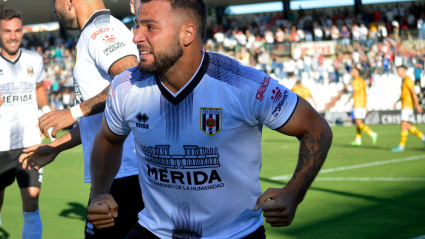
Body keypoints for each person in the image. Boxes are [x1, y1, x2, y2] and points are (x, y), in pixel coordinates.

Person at [84, 1, 332, 238]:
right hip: (154, 231)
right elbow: (108, 140)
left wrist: (293, 193)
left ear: (187, 33)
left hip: (236, 234)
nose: (136, 37)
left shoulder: (244, 85)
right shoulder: (126, 86)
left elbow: (315, 127)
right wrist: (98, 193)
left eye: (150, 27)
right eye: (137, 25)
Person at [19, 0, 143, 238]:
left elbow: (130, 80)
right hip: (115, 175)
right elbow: (101, 120)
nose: (54, 9)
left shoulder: (100, 30)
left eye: (55, 2)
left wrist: (72, 112)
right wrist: (55, 146)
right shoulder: (96, 30)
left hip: (124, 175)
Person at [0, 8, 50, 239]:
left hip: (29, 145)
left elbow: (39, 87)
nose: (12, 36)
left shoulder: (35, 59)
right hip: (0, 147)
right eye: (7, 31)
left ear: (22, 31)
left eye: (17, 30)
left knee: (31, 203)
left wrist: (47, 113)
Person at [391, 65, 425, 152]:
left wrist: (417, 105)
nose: (397, 72)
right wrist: (397, 101)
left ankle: (401, 146)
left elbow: (413, 93)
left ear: (403, 70)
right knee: (408, 126)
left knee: (403, 125)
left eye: (398, 70)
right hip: (405, 105)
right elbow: (404, 94)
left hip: (408, 106)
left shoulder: (408, 80)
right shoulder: (404, 80)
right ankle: (423, 138)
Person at [347, 67, 378, 146]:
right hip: (362, 104)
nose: (351, 72)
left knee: (358, 123)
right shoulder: (362, 81)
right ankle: (358, 140)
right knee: (359, 122)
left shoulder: (355, 81)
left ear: (356, 71)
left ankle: (372, 134)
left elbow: (354, 92)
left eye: (352, 70)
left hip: (358, 104)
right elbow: (365, 94)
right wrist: (366, 105)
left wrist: (349, 100)